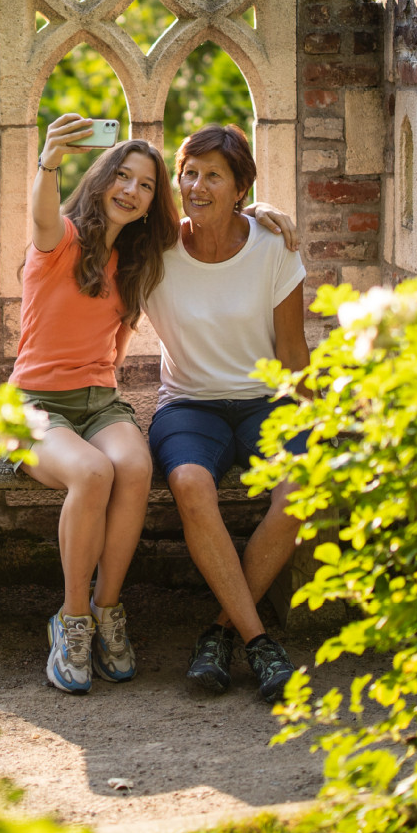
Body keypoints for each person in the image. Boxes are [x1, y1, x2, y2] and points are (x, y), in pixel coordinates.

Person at [142, 124, 311, 703]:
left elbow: (293, 354)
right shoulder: (154, 248)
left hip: (268, 402)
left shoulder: (273, 248)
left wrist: (322, 421)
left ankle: (218, 631)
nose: (196, 185)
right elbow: (88, 224)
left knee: (303, 485)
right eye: (189, 172)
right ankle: (261, 642)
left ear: (242, 187)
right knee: (190, 482)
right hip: (189, 404)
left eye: (214, 175)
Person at [13, 114, 179, 694]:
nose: (131, 191)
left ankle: (108, 610)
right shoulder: (60, 239)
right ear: (103, 177)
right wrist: (48, 161)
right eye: (123, 177)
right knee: (92, 470)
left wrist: (260, 214)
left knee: (134, 465)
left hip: (99, 402)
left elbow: (211, 227)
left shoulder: (134, 263)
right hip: (36, 405)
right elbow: (39, 214)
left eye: (146, 185)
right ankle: (72, 618)